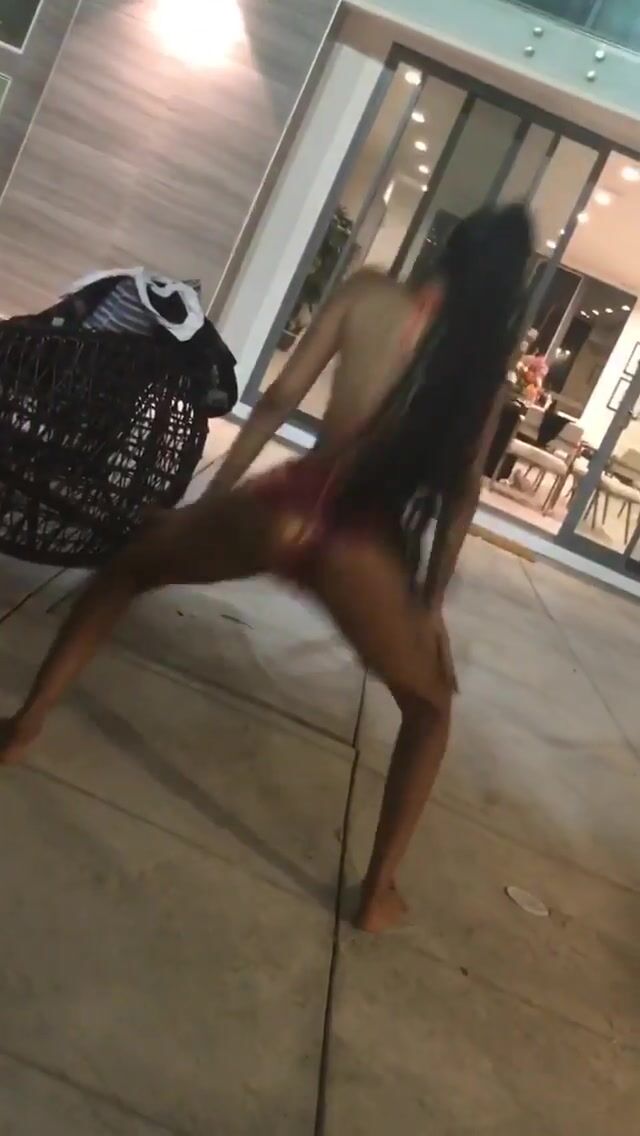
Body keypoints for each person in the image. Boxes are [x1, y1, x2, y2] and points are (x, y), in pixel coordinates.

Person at [0, 204, 531, 932]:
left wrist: (211, 500)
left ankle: (25, 724)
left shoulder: (369, 293)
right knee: (431, 711)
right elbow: (461, 494)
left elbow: (279, 398)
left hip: (289, 503)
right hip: (362, 551)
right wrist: (429, 601)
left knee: (128, 568)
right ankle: (377, 892)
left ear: (446, 252)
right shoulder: (478, 374)